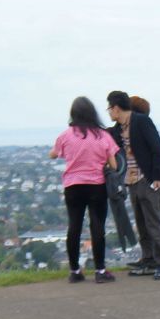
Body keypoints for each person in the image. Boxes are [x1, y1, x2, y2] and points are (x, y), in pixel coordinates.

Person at [50, 96, 120, 283]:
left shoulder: (66, 135)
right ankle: (100, 270)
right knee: (97, 226)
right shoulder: (102, 135)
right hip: (96, 185)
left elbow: (53, 155)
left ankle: (74, 271)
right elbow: (113, 165)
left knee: (74, 226)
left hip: (73, 186)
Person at [106, 91, 160, 279]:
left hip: (148, 178)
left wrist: (158, 175)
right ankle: (148, 259)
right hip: (131, 181)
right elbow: (104, 135)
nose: (109, 112)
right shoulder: (118, 128)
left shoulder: (141, 121)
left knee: (153, 222)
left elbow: (157, 149)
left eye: (110, 108)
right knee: (142, 224)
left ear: (116, 108)